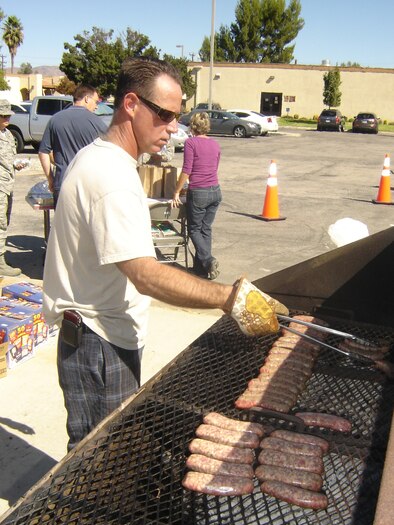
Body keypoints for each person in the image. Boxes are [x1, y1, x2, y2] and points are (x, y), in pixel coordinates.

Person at [42, 57, 288, 452]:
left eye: (178, 116)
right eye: (166, 115)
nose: (175, 127)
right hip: (98, 342)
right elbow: (146, 275)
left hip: (102, 335)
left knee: (107, 451)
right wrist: (230, 297)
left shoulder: (102, 158)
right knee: (102, 456)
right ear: (132, 104)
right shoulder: (111, 178)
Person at [38, 83, 107, 207]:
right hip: (87, 185)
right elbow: (111, 151)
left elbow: (43, 152)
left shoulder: (55, 119)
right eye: (96, 102)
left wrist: (51, 179)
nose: (96, 107)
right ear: (86, 99)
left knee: (62, 226)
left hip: (62, 183)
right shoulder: (96, 122)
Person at [172, 112, 221, 280]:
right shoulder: (215, 144)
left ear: (192, 126)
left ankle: (208, 261)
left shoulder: (191, 143)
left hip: (199, 191)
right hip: (215, 190)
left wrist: (177, 191)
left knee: (193, 229)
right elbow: (214, 167)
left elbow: (187, 169)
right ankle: (201, 270)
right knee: (205, 229)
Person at [0, 99, 28, 277]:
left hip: (7, 184)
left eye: (8, 115)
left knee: (5, 221)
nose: (7, 119)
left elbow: (9, 158)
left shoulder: (8, 134)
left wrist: (17, 164)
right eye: (3, 115)